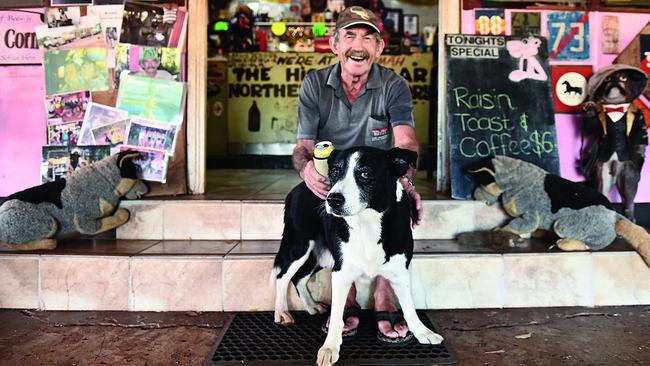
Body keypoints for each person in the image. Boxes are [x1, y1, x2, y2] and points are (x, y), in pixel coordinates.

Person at [292, 5, 422, 345]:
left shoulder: (394, 85)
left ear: (379, 48)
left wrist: (406, 180)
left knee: (397, 203)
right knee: (331, 205)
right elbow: (303, 146)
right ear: (335, 44)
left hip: (375, 176)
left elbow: (405, 140)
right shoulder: (314, 84)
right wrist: (307, 170)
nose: (358, 46)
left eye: (368, 38)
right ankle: (345, 292)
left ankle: (384, 293)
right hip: (333, 175)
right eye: (349, 36)